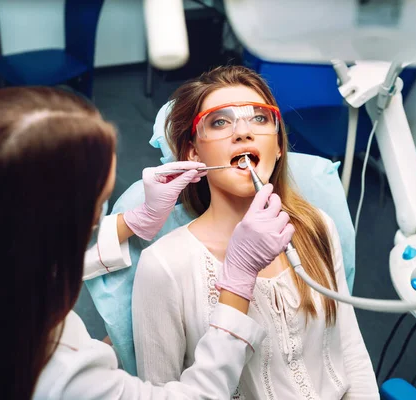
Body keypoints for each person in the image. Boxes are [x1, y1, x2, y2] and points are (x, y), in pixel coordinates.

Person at [0, 87, 295, 400]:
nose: (243, 131)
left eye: (260, 119)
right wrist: (238, 281)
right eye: (97, 211)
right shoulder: (63, 368)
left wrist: (131, 223)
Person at [132, 65, 380, 399]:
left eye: (260, 119)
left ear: (278, 146)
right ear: (193, 153)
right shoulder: (164, 265)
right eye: (220, 121)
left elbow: (349, 350)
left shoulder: (317, 225)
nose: (242, 132)